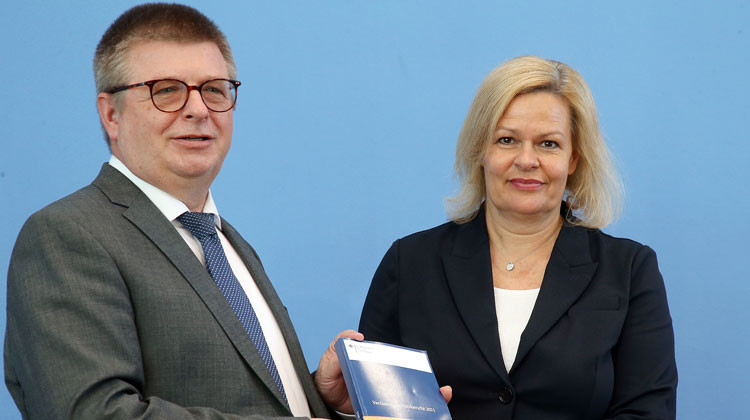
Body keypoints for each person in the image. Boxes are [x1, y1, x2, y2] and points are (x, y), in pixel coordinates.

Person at [5, 3, 359, 419]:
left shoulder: (225, 242)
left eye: (214, 89)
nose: (198, 109)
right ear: (111, 114)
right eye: (167, 90)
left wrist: (321, 400)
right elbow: (93, 413)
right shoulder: (67, 235)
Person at [359, 56, 677, 419]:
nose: (527, 160)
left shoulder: (629, 270)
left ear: (574, 158)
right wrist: (336, 399)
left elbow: (648, 411)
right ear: (480, 150)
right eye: (507, 140)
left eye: (549, 144)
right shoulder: (410, 263)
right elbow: (374, 405)